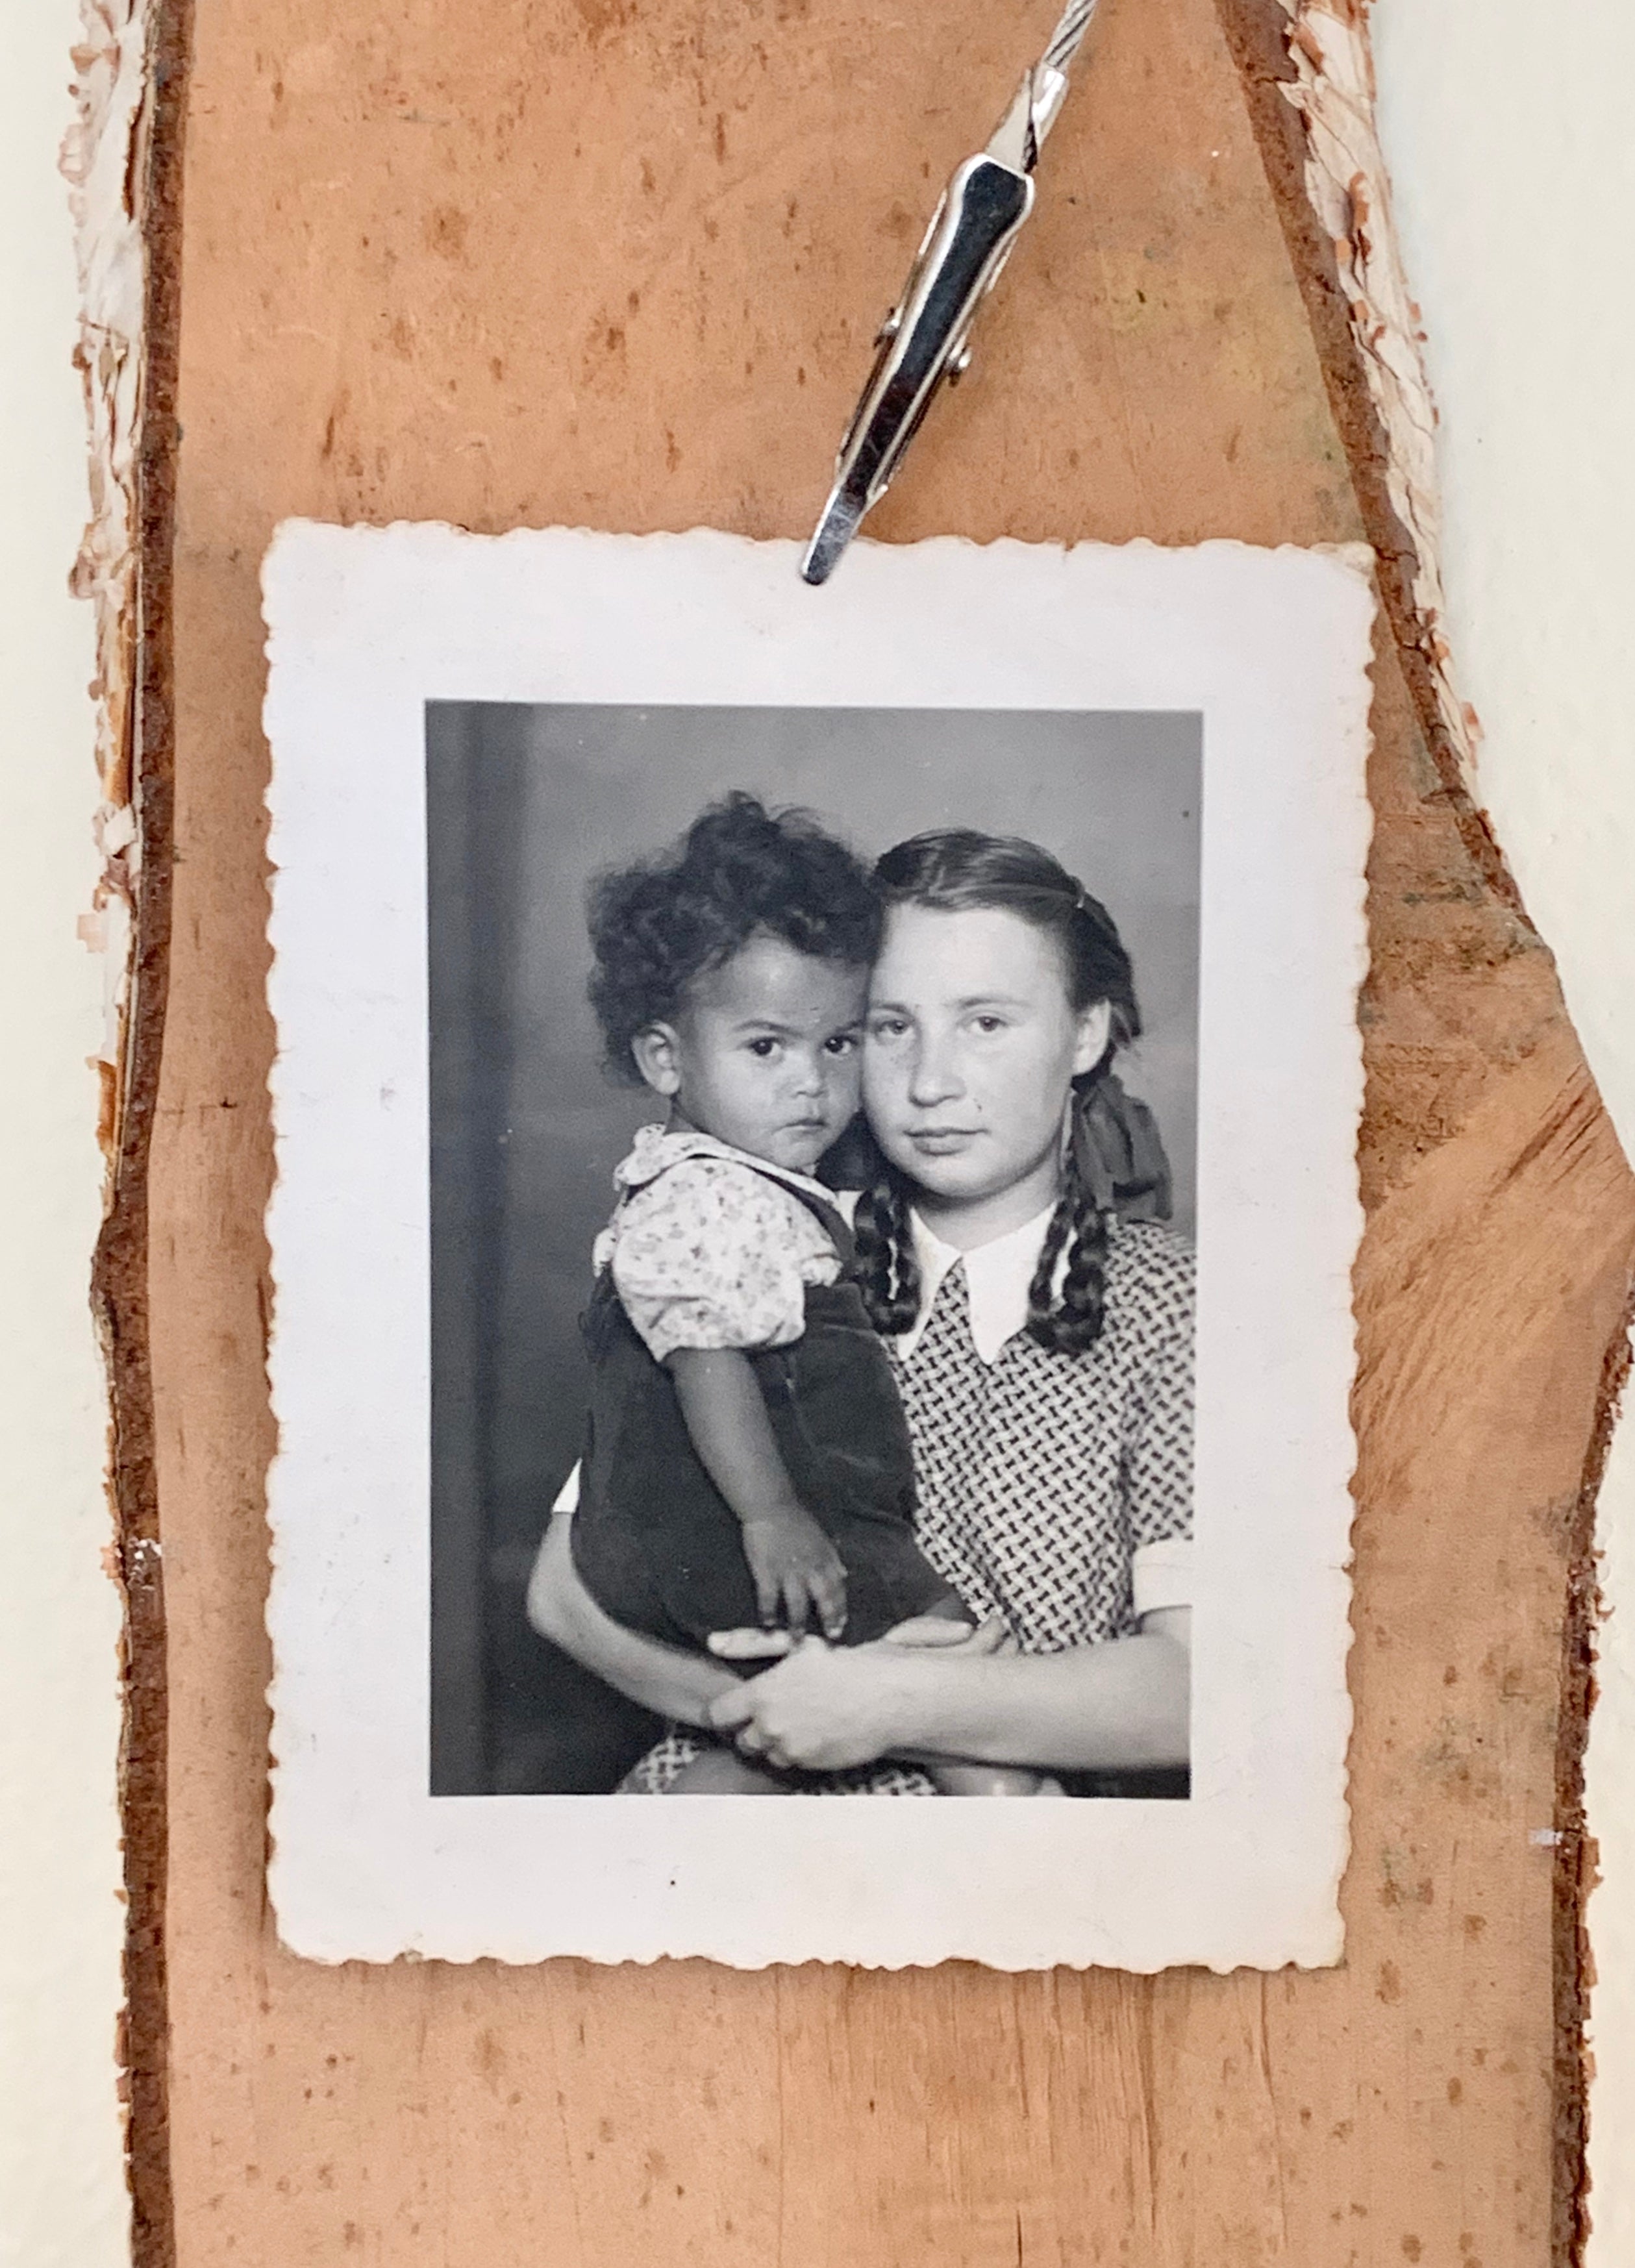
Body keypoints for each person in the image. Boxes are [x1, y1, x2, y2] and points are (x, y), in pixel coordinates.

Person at [529, 825, 1193, 1794]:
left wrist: (887, 1710)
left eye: (986, 1022)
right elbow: (562, 1596)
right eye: (888, 1027)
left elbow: (1197, 1686)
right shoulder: (769, 1243)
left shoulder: (1173, 1302)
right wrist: (776, 1715)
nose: (931, 1083)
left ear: (1084, 1033)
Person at [570, 794, 1036, 1794]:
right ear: (664, 1058)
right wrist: (772, 1513)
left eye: (836, 1046)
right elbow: (706, 1360)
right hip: (741, 1522)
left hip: (707, 1538)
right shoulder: (707, 1192)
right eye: (766, 1048)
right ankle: (1006, 1800)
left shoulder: (753, 1185)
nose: (809, 1087)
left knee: (792, 1724)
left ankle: (714, 1807)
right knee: (944, 1653)